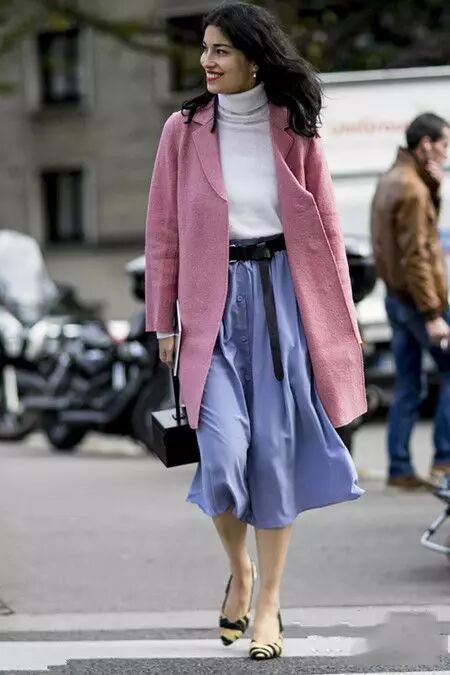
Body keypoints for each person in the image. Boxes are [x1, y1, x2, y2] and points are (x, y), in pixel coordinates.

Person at [145, 2, 365, 661]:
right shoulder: (183, 130)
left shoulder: (293, 126)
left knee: (272, 454)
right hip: (209, 308)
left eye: (221, 50)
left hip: (279, 303)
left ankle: (267, 604)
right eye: (205, 49)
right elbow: (162, 233)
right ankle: (239, 570)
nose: (206, 61)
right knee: (221, 452)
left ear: (255, 60)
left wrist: (339, 320)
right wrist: (161, 320)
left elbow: (327, 229)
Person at [371, 113, 450, 491]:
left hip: (395, 298)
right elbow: (417, 254)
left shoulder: (393, 178)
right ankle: (445, 462)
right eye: (444, 145)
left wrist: (434, 189)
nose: (446, 153)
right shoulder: (412, 190)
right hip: (419, 303)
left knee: (407, 384)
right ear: (425, 146)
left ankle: (399, 468)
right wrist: (433, 314)